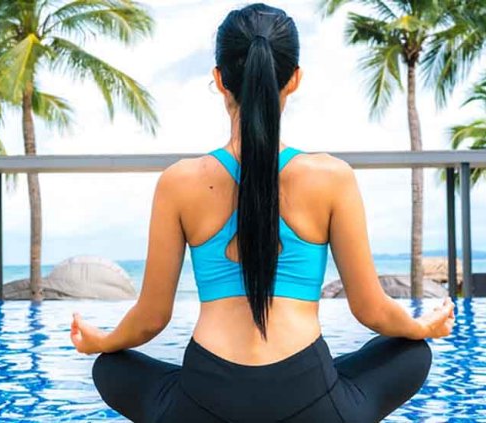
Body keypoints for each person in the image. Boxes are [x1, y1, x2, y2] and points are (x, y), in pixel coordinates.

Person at [69, 3, 455, 422]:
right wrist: (420, 328)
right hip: (311, 401)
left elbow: (150, 319)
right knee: (409, 353)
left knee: (111, 367)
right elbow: (371, 311)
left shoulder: (179, 181)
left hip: (202, 402)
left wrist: (101, 342)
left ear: (219, 80)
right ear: (294, 79)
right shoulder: (332, 177)